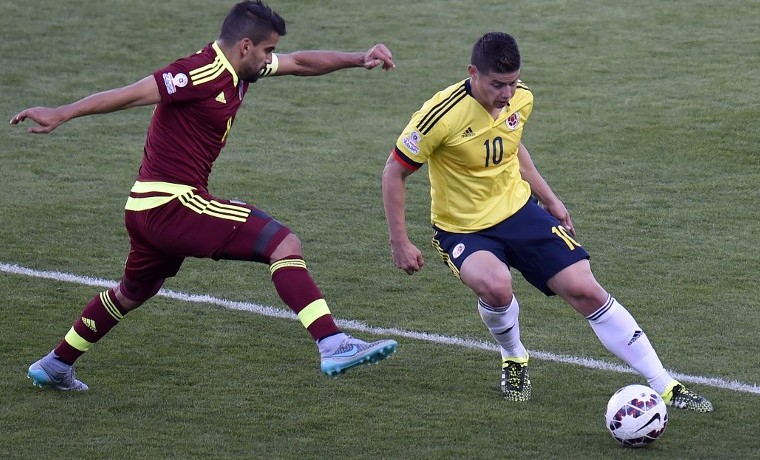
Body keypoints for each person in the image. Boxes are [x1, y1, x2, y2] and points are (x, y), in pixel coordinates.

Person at [11, 0, 397, 391]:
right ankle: (332, 343)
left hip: (146, 209)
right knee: (282, 243)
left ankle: (56, 363)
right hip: (171, 205)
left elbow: (300, 63)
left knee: (131, 292)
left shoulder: (241, 69)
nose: (271, 59)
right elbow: (131, 94)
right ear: (245, 46)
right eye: (267, 50)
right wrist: (62, 112)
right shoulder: (198, 72)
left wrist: (357, 58)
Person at [381, 31, 712, 411]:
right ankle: (515, 357)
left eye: (511, 83)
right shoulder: (439, 115)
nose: (506, 93)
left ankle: (665, 384)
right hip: (463, 227)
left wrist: (550, 198)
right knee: (496, 286)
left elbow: (512, 144)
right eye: (497, 85)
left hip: (520, 212)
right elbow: (394, 172)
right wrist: (399, 241)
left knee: (585, 288)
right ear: (473, 72)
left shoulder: (522, 97)